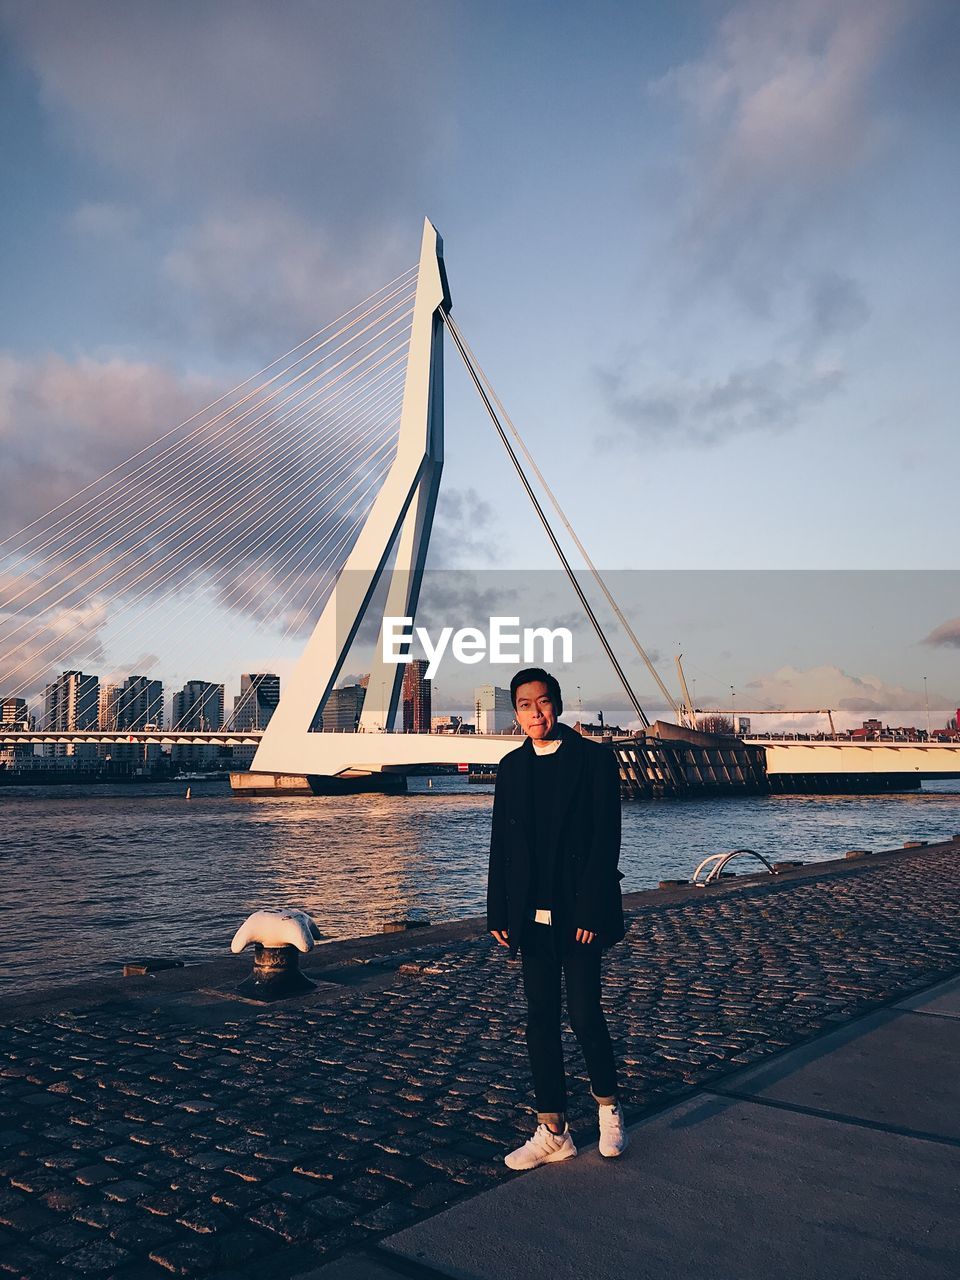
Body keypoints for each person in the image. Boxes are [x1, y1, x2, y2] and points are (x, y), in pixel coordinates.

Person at [487, 667, 628, 1169]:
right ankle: (554, 1131)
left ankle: (610, 1109)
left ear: (558, 704)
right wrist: (498, 911)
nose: (535, 713)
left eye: (543, 702)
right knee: (539, 1021)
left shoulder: (593, 760)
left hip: (578, 914)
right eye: (525, 705)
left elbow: (605, 839)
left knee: (585, 1014)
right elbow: (501, 845)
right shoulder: (511, 767)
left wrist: (591, 906)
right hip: (530, 915)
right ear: (516, 711)